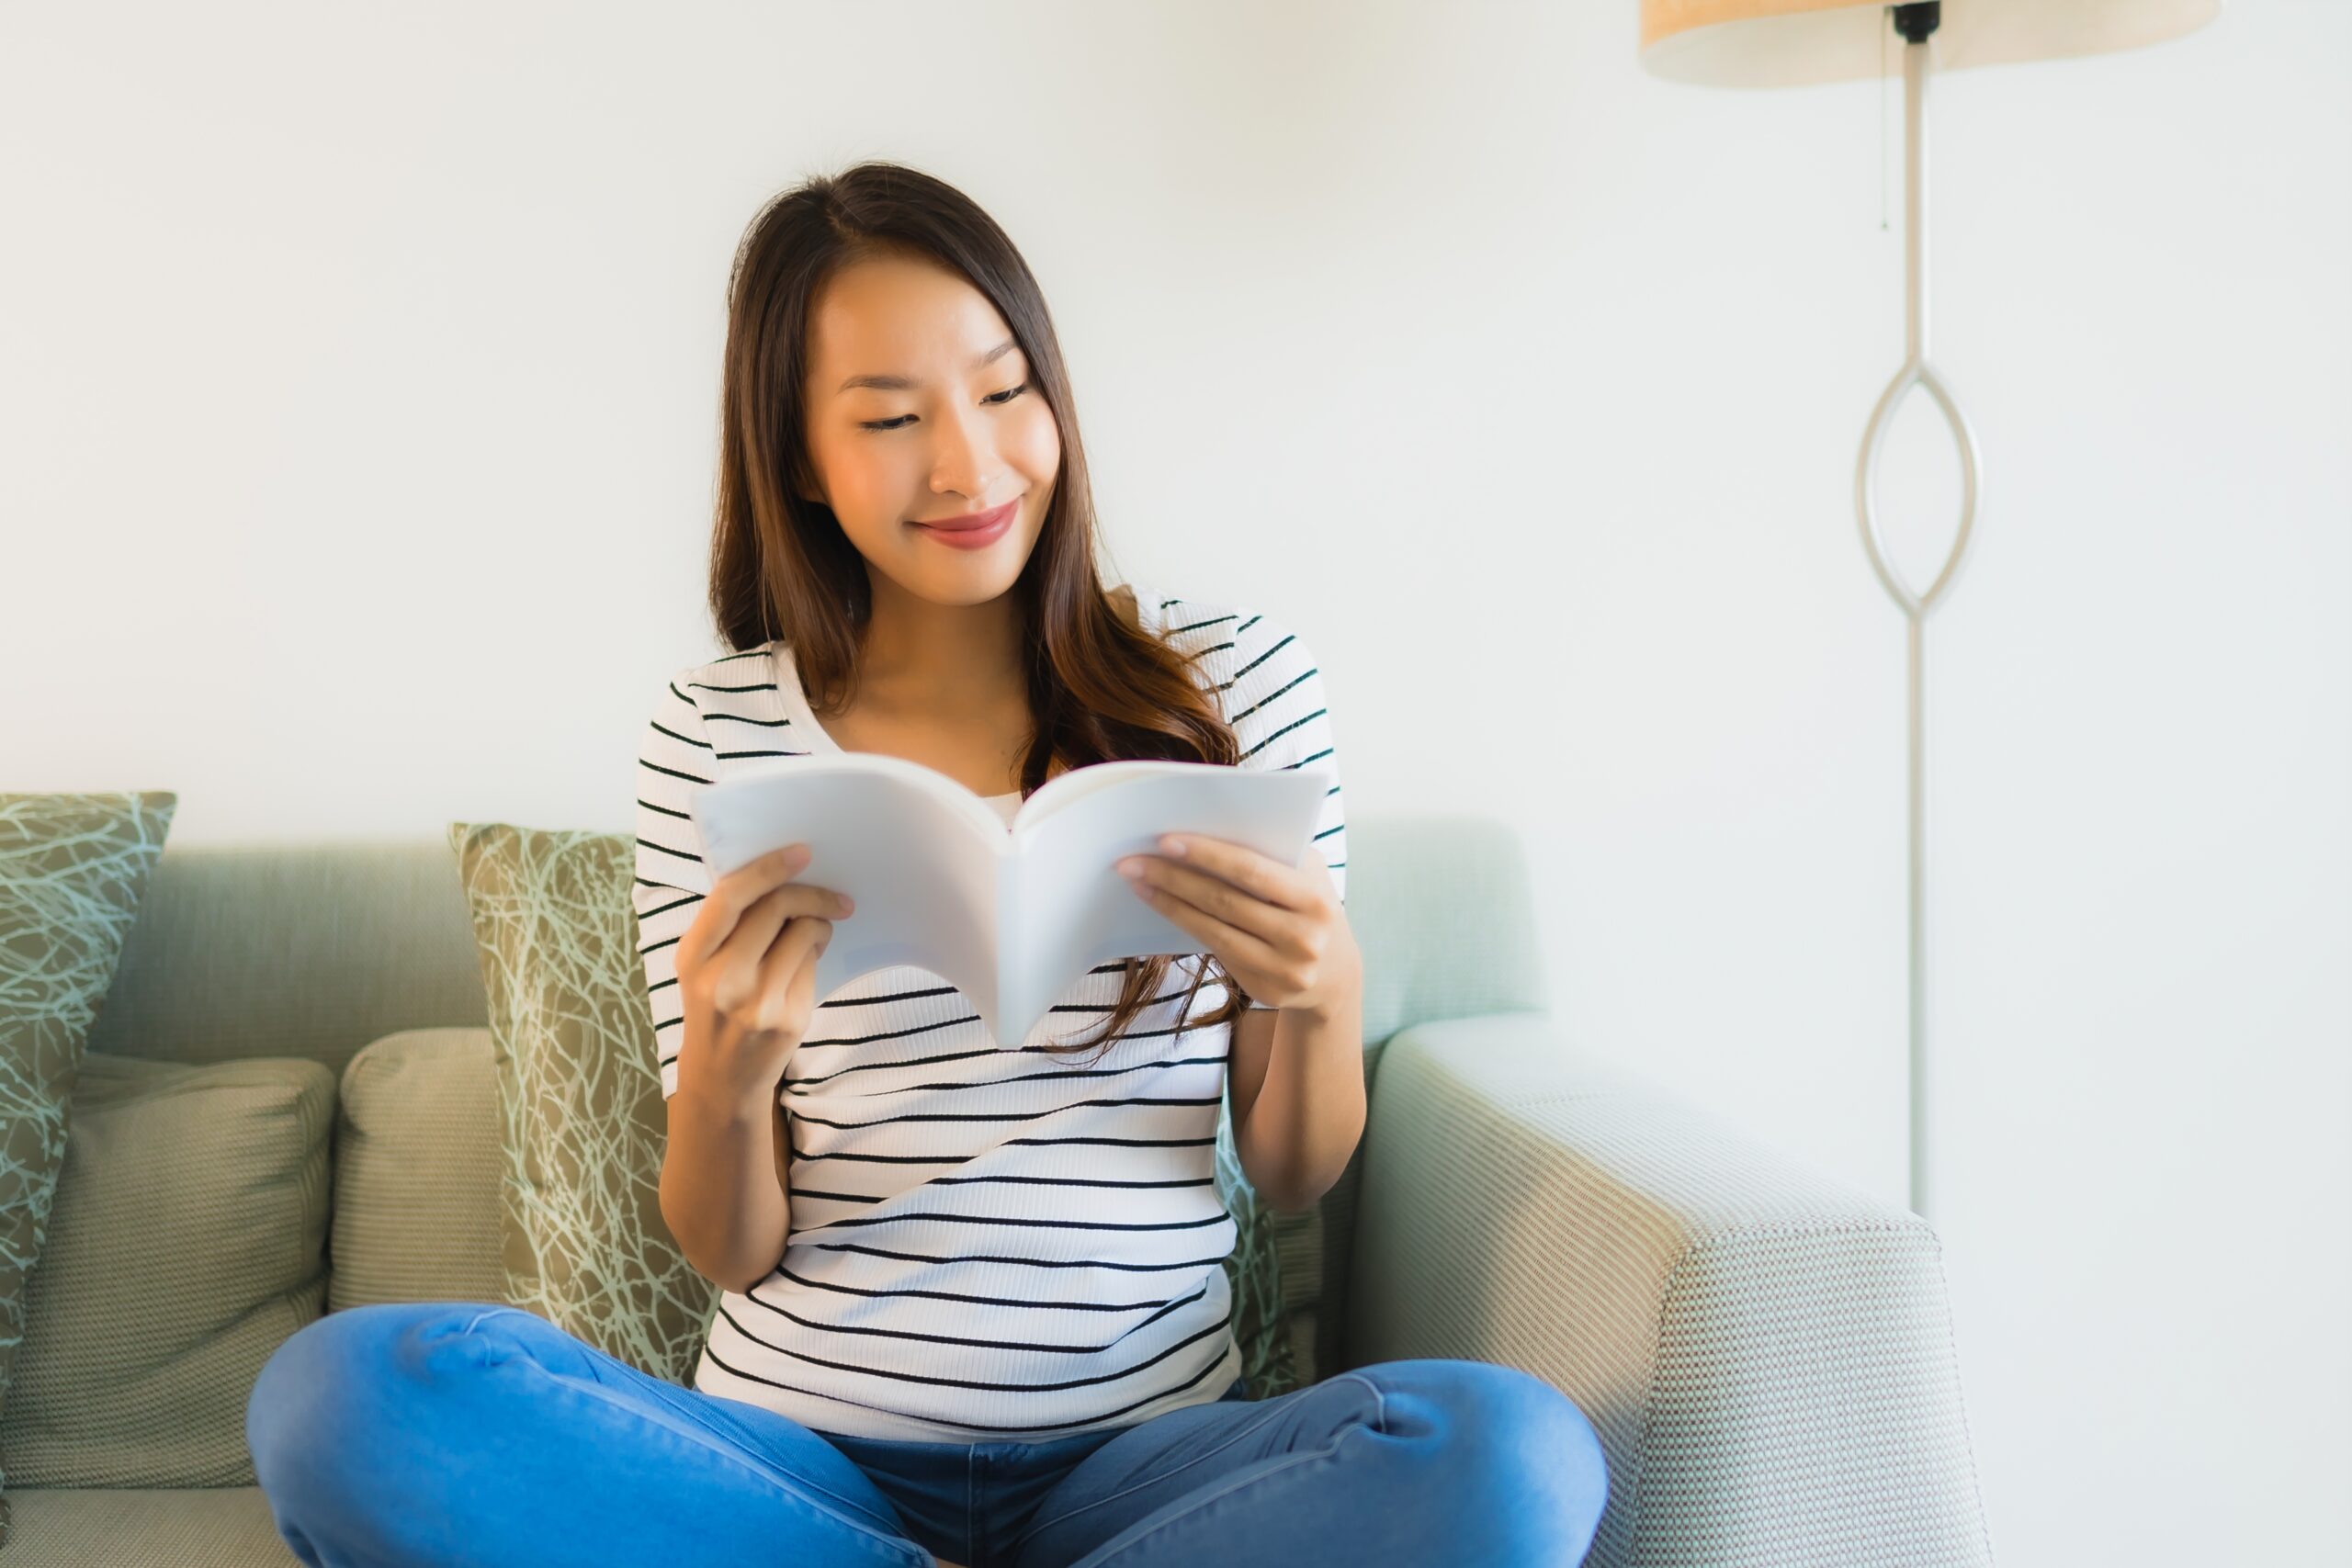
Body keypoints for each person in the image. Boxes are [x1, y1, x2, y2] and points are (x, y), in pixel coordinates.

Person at [246, 159, 1608, 1568]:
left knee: (1512, 1461)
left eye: (1006, 391)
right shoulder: (715, 735)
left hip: (1145, 1465)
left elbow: (1293, 1171)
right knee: (345, 1397)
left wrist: (1319, 994)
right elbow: (728, 1246)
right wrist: (724, 1056)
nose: (968, 465)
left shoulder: (1233, 687)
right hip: (800, 1469)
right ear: (797, 460)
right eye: (892, 418)